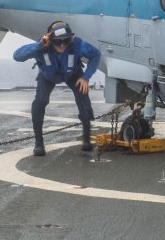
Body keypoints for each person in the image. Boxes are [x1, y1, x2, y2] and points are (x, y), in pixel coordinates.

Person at [13, 21, 101, 156]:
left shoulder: (77, 44)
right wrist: (39, 45)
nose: (62, 45)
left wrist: (86, 77)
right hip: (48, 76)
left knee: (83, 96)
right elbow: (17, 56)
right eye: (58, 42)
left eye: (66, 41)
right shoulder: (42, 45)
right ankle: (38, 143)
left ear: (71, 39)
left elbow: (95, 55)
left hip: (73, 74)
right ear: (50, 39)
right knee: (40, 102)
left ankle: (86, 140)